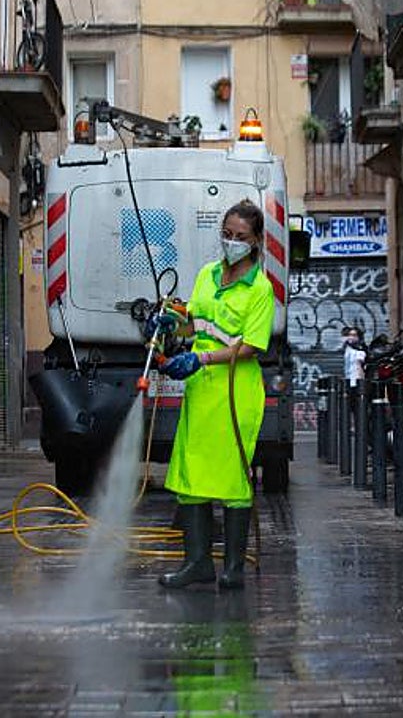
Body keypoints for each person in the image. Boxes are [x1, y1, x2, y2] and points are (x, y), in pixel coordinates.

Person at [149, 199, 276, 590]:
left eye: (240, 237)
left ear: (255, 242)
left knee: (231, 478)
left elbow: (252, 346)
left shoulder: (260, 289)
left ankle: (233, 568)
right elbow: (196, 326)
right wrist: (173, 324)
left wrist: (201, 357)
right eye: (226, 234)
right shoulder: (206, 275)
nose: (231, 242)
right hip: (202, 390)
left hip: (236, 391)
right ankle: (197, 563)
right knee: (190, 476)